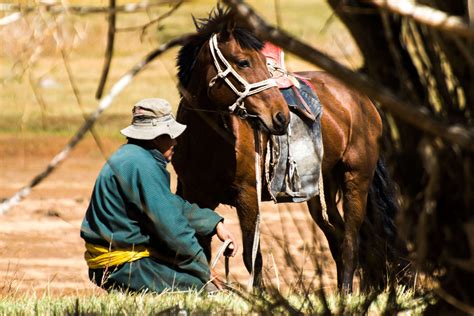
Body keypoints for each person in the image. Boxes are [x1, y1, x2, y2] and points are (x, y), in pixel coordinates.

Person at [80, 98, 238, 294]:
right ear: (156, 137)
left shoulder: (133, 156)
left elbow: (170, 205)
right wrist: (204, 270)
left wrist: (214, 223)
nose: (175, 142)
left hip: (125, 260)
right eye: (170, 136)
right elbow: (173, 230)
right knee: (211, 292)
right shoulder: (141, 166)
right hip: (123, 267)